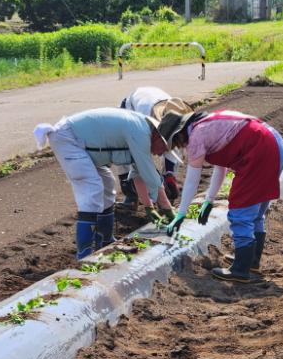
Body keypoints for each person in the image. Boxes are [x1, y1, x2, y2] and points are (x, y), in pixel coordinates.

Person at [158, 109, 283, 284]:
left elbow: (191, 181)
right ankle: (251, 261)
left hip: (259, 149)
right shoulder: (209, 125)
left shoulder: (196, 137)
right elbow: (221, 166)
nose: (180, 148)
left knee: (240, 211)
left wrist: (181, 214)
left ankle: (240, 270)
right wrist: (209, 200)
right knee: (255, 211)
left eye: (176, 144)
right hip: (274, 143)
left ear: (178, 135)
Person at [34, 109, 176, 259]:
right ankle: (84, 255)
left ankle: (105, 242)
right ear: (159, 137)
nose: (161, 153)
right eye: (164, 148)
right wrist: (168, 209)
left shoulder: (143, 131)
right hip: (68, 139)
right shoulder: (140, 132)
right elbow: (150, 175)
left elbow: (140, 172)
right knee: (92, 188)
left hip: (78, 141)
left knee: (107, 183)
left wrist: (149, 207)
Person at [117, 87, 192, 208]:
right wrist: (155, 186)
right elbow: (142, 158)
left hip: (152, 100)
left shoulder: (175, 116)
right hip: (130, 108)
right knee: (125, 152)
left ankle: (165, 188)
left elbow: (173, 148)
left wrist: (169, 175)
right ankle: (130, 195)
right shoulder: (142, 119)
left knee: (167, 156)